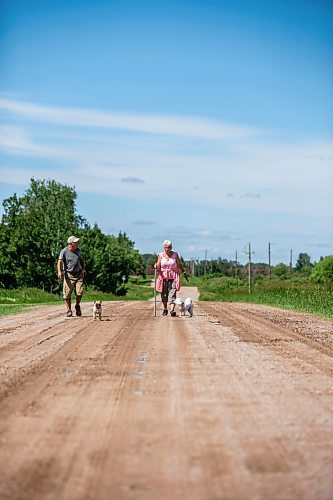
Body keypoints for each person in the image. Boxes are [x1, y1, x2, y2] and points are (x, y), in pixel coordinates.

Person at [154, 240, 188, 316]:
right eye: (166, 247)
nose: (167, 249)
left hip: (173, 277)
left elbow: (179, 264)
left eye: (169, 247)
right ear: (163, 247)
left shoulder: (175, 255)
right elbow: (159, 265)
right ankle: (165, 309)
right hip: (163, 277)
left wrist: (183, 271)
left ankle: (172, 310)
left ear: (171, 247)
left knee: (172, 293)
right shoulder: (160, 255)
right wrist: (156, 266)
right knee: (164, 294)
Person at [57, 236, 86, 317]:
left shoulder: (78, 250)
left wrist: (83, 268)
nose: (77, 243)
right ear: (70, 244)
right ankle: (69, 310)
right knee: (67, 294)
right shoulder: (64, 251)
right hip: (69, 275)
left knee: (79, 293)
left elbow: (81, 260)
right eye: (75, 242)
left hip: (79, 274)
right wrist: (59, 271)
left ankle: (77, 305)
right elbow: (59, 261)